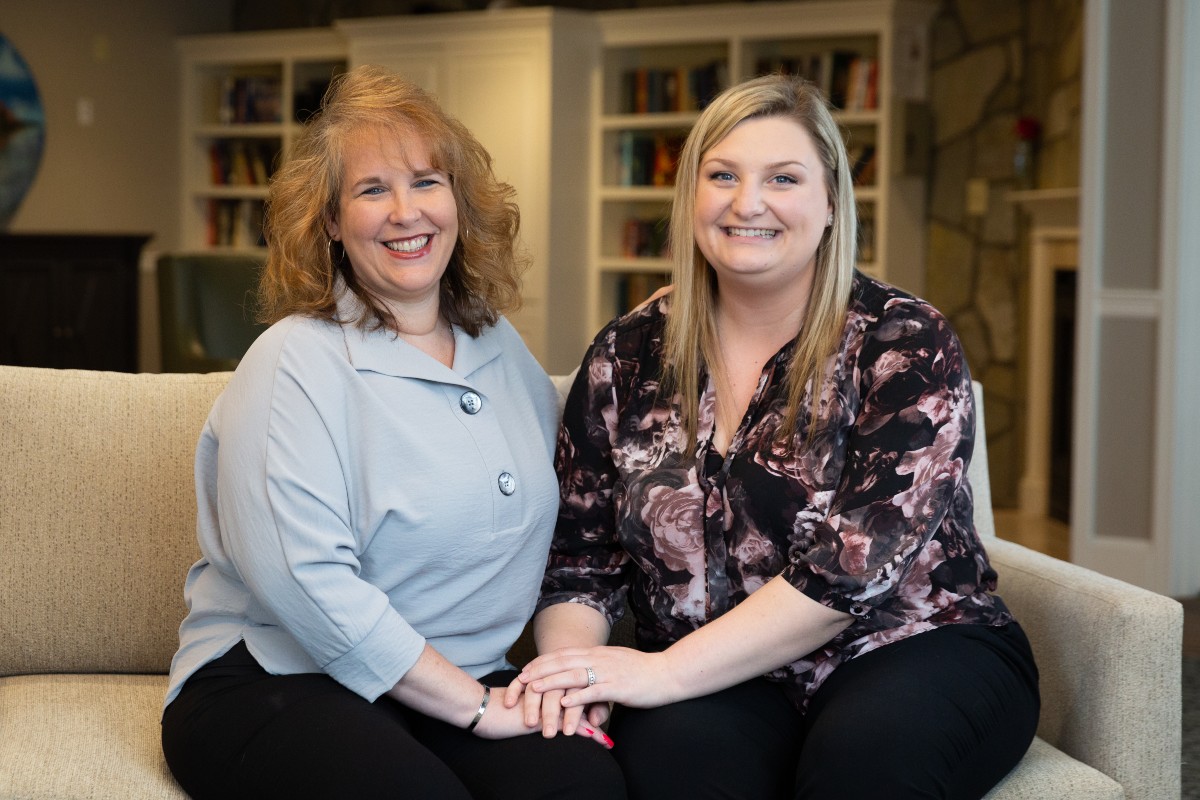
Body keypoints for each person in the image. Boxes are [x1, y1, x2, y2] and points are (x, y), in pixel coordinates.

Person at [508, 73, 1040, 800]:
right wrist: (577, 672)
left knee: (866, 765)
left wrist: (661, 673)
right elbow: (579, 561)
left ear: (829, 205)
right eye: (721, 175)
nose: (746, 202)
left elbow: (850, 570)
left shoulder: (903, 342)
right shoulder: (627, 355)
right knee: (679, 775)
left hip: (909, 647)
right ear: (691, 197)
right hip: (713, 673)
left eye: (782, 178)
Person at [160, 65, 624, 800]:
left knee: (584, 789)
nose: (406, 212)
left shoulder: (503, 350)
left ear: (461, 206)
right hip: (281, 679)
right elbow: (310, 588)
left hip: (467, 677)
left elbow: (582, 499)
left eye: (426, 182)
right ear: (332, 223)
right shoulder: (293, 362)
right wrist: (476, 710)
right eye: (372, 190)